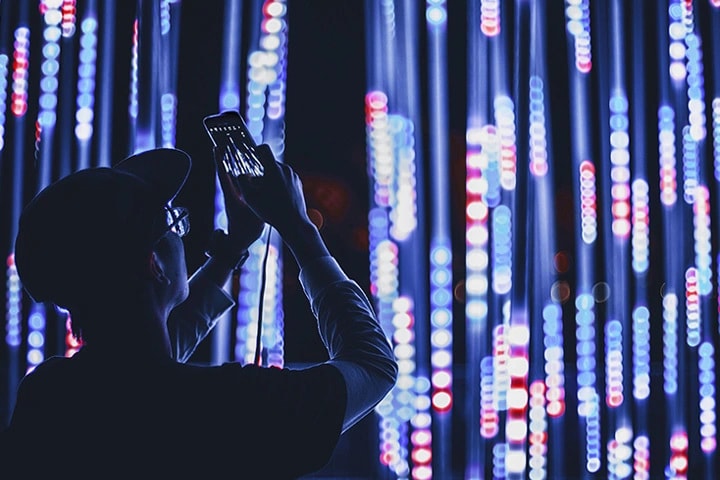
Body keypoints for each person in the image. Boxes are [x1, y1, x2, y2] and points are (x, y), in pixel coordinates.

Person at [0, 143, 398, 479]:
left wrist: (231, 251)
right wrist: (298, 227)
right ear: (152, 263)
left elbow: (141, 369)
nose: (181, 237)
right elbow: (373, 365)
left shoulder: (48, 396)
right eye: (173, 225)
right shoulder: (231, 407)